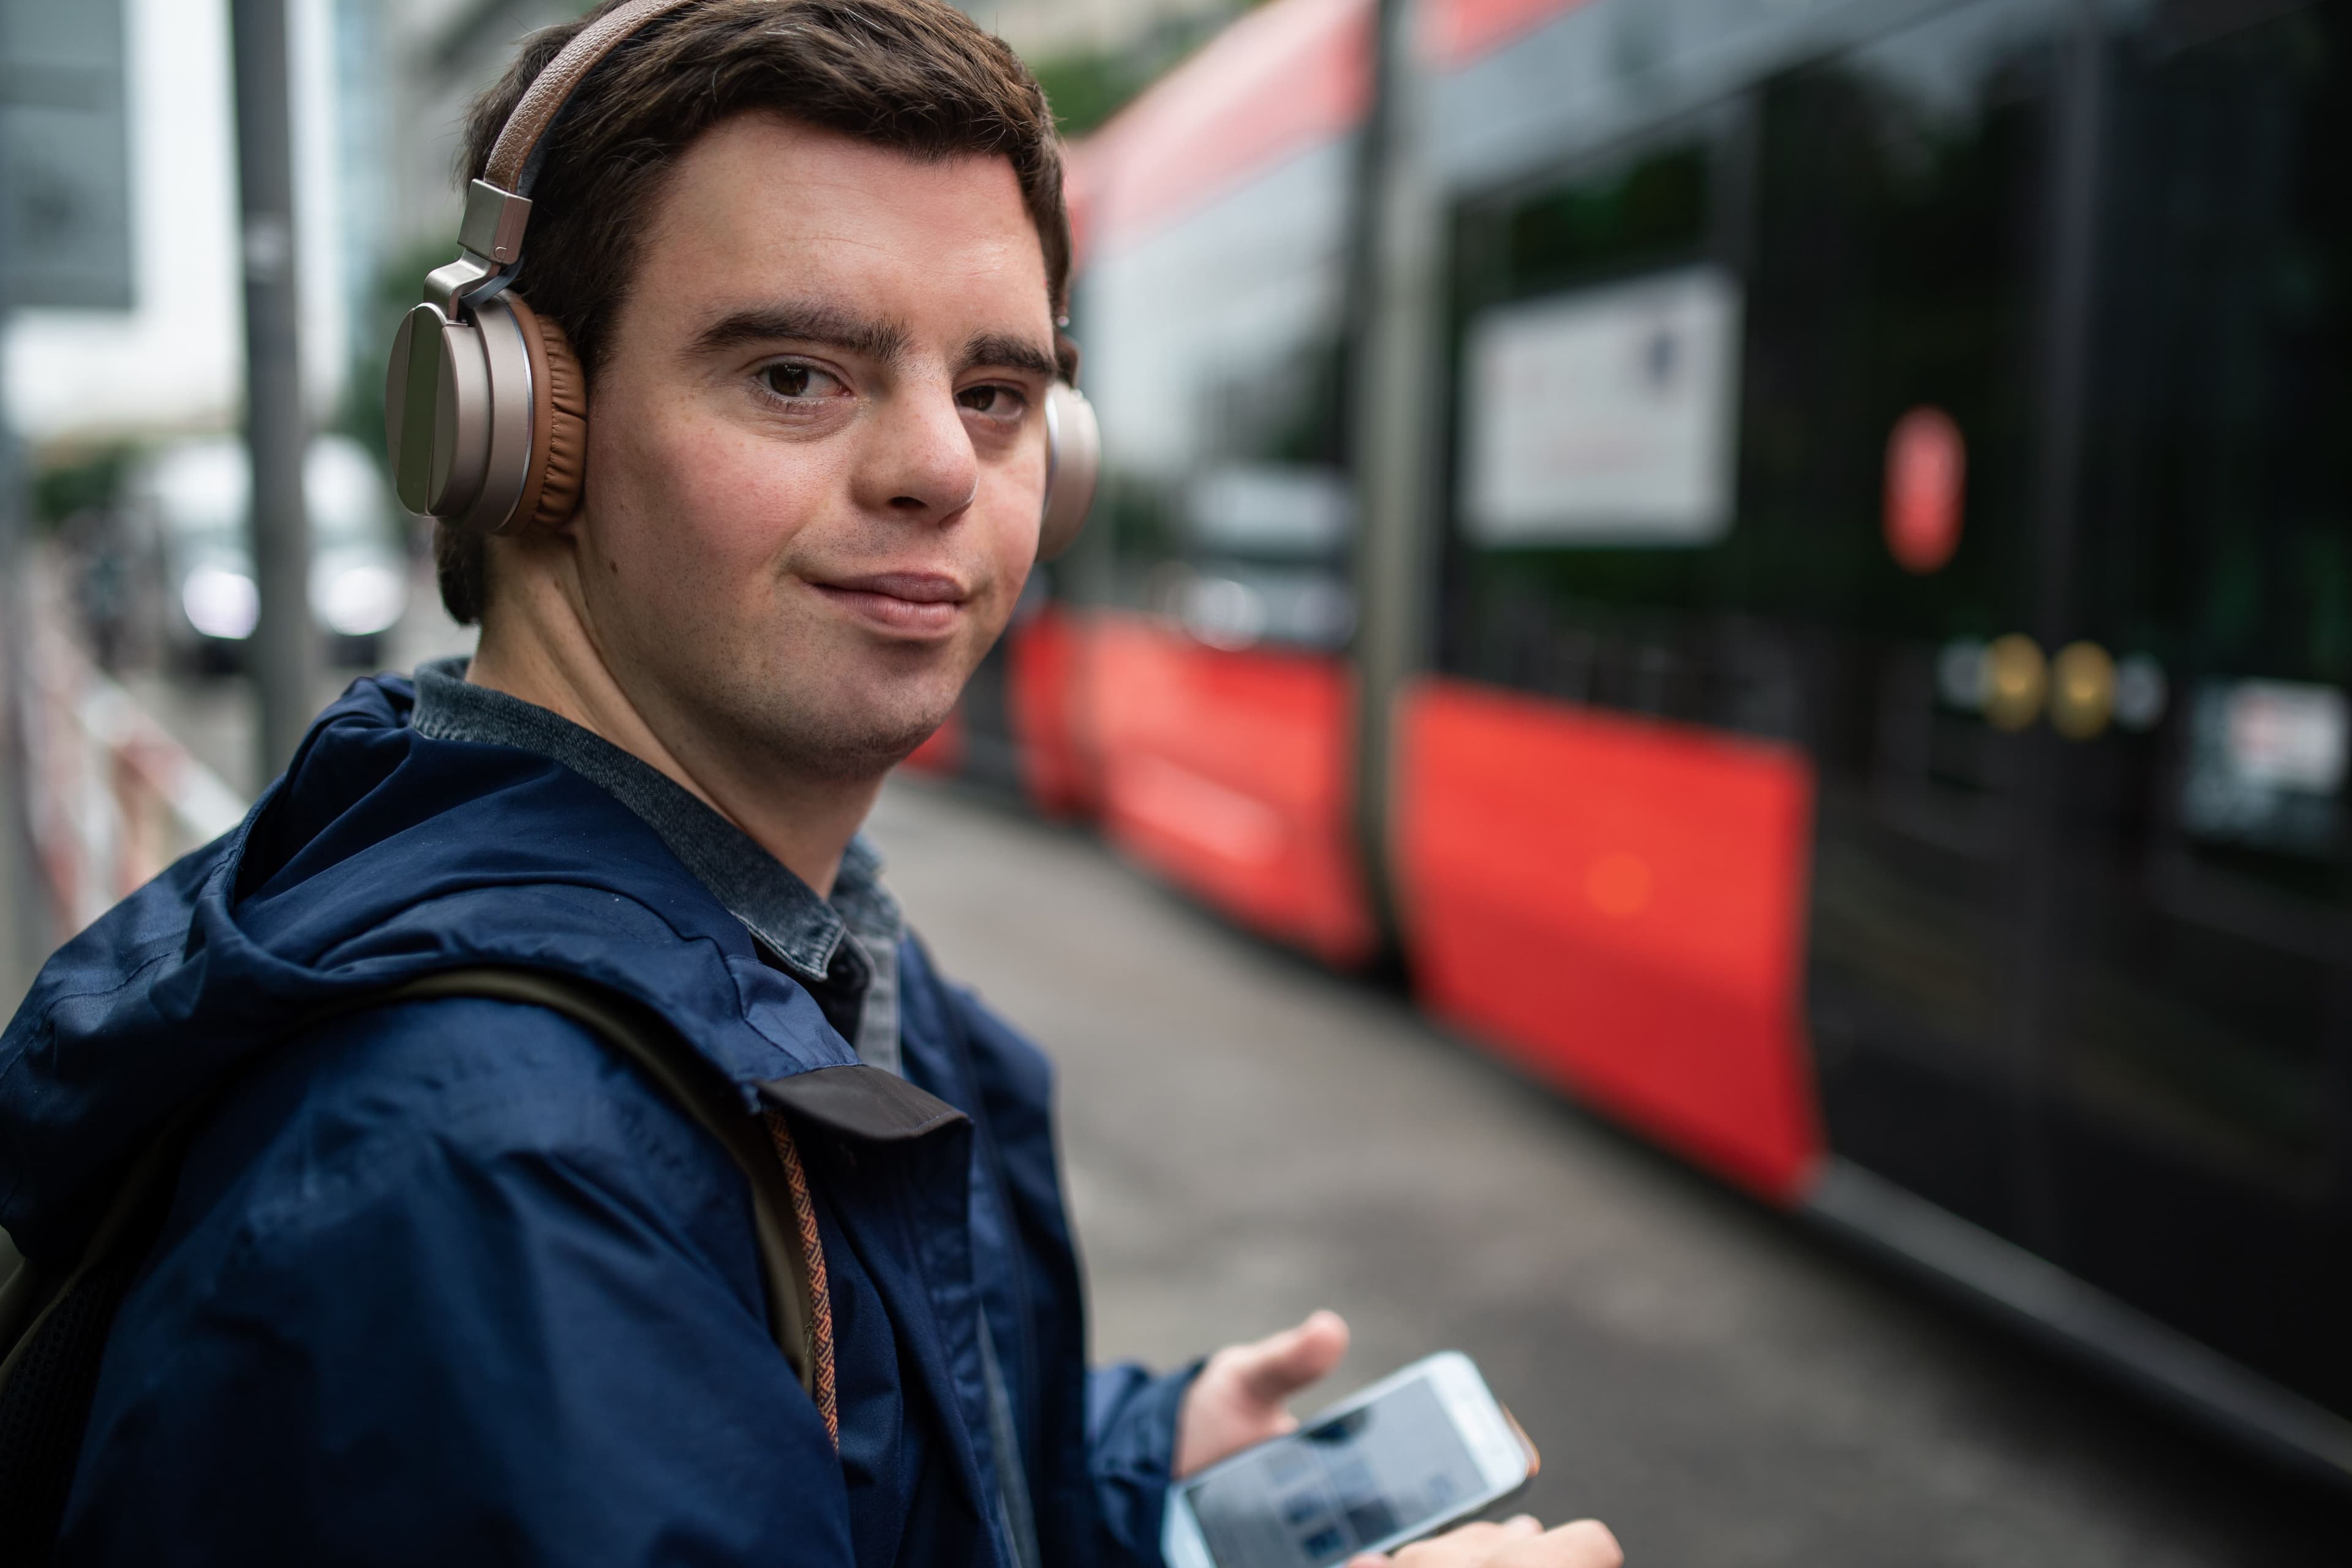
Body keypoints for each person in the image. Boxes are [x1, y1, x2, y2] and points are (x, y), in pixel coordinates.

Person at [0, 2, 1622, 1564]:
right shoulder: (491, 1166)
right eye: (795, 375)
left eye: (996, 396)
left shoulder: (779, 963)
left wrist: (1115, 1476)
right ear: (516, 432)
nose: (939, 468)